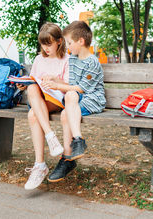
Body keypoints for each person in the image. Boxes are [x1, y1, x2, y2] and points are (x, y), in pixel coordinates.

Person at [40, 20, 106, 182]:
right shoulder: (72, 59)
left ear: (81, 41)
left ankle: (68, 157)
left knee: (66, 111)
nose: (67, 46)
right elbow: (70, 86)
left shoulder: (92, 62)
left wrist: (57, 85)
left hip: (93, 99)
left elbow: (81, 89)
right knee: (67, 106)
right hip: (76, 98)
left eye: (69, 42)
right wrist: (55, 79)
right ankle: (74, 146)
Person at [17, 22, 69, 190]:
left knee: (34, 113)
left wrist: (54, 80)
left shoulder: (66, 59)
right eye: (43, 44)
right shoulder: (39, 59)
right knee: (32, 102)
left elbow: (69, 85)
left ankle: (41, 163)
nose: (46, 48)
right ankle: (41, 160)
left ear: (59, 41)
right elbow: (33, 80)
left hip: (56, 98)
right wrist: (22, 84)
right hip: (39, 99)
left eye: (50, 43)